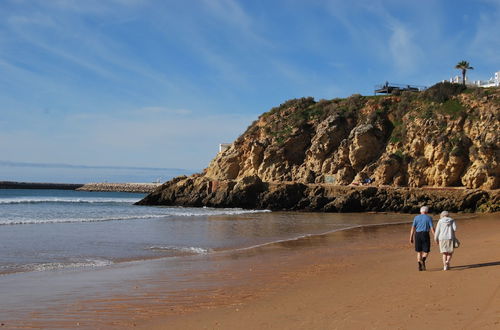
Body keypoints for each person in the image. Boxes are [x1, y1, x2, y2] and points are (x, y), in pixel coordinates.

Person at [409, 206, 435, 271]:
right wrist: (435, 236)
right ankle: (423, 260)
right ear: (427, 211)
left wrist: (411, 237)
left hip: (417, 234)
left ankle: (419, 265)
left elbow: (413, 228)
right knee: (426, 250)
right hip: (425, 234)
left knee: (418, 251)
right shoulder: (429, 218)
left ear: (420, 211)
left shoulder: (416, 217)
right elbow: (432, 228)